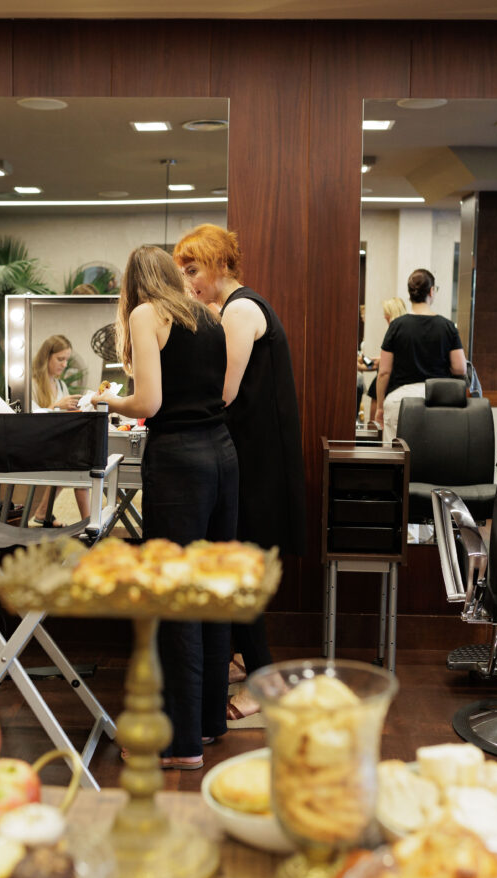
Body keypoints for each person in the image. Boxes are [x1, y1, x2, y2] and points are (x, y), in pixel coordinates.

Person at [92, 245, 239, 769]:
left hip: (180, 461)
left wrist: (103, 400)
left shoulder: (145, 314)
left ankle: (178, 745)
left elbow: (148, 403)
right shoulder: (210, 316)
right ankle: (207, 724)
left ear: (132, 283)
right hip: (223, 455)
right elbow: (223, 393)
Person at [173, 224, 305, 724]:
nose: (189, 282)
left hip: (258, 459)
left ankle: (264, 681)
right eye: (184, 272)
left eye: (193, 270)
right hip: (248, 453)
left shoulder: (242, 310)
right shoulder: (229, 309)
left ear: (222, 265)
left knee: (239, 567)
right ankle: (245, 660)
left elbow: (223, 391)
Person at [376, 270, 467, 443]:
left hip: (400, 400)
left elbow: (384, 372)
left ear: (410, 293)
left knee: (396, 455)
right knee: (435, 452)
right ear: (431, 291)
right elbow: (460, 368)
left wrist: (380, 407)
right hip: (438, 400)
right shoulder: (447, 327)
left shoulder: (396, 326)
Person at [30, 334, 90, 526]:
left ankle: (42, 514)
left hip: (57, 441)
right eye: (60, 359)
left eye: (66, 360)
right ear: (46, 357)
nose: (64, 364)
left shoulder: (60, 384)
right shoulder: (32, 384)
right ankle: (89, 523)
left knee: (78, 459)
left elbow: (62, 415)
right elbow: (29, 419)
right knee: (80, 465)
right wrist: (56, 406)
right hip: (38, 442)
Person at [359, 297, 407, 422]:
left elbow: (382, 366)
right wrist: (366, 362)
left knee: (377, 426)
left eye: (386, 313)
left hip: (387, 387)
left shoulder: (395, 333)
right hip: (384, 385)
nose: (384, 316)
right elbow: (377, 363)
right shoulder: (401, 333)